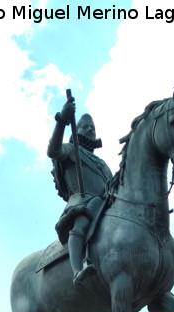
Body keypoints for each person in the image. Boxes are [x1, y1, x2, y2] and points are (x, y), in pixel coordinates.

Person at [48, 96, 113, 285]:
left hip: (106, 204)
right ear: (76, 130)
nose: (91, 130)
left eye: (93, 128)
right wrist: (62, 120)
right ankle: (77, 270)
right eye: (86, 127)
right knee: (82, 222)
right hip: (83, 201)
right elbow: (54, 150)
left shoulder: (102, 164)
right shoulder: (69, 149)